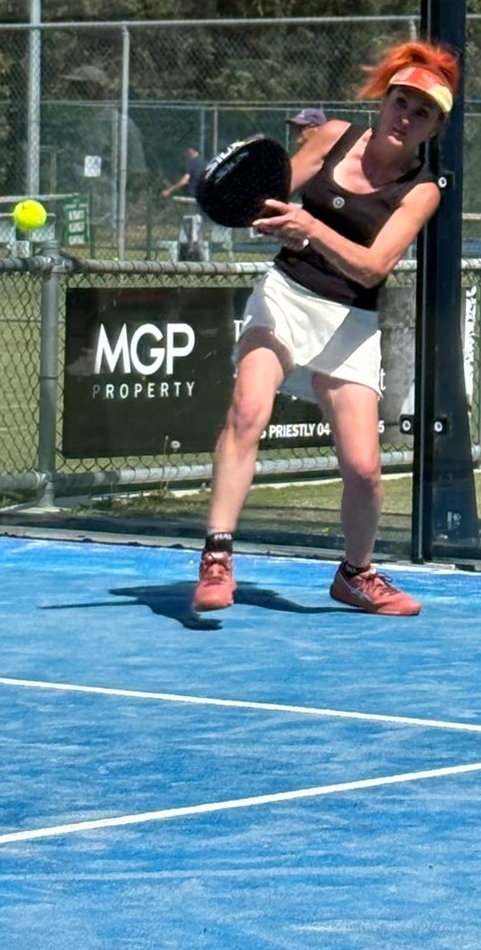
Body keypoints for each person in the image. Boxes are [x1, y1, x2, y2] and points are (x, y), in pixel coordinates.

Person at [193, 40, 456, 618]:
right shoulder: (334, 135)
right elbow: (268, 197)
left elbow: (374, 267)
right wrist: (269, 217)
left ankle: (355, 575)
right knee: (248, 409)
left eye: (421, 113)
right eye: (400, 102)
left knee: (364, 469)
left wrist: (310, 227)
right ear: (384, 102)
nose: (405, 117)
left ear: (434, 128)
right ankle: (217, 555)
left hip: (351, 320)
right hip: (286, 294)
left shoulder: (422, 192)